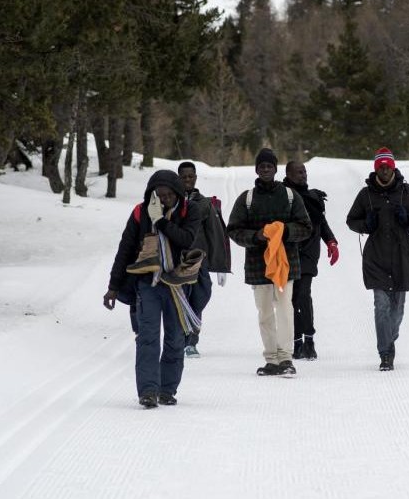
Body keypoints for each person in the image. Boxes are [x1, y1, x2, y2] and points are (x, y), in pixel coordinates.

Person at [103, 169, 206, 408]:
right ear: (151, 194)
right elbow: (125, 249)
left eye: (169, 195)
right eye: (158, 195)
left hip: (178, 285)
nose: (164, 200)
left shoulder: (190, 210)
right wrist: (113, 287)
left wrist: (160, 221)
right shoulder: (140, 212)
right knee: (148, 337)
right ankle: (148, 391)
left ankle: (167, 390)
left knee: (175, 338)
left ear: (177, 193)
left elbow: (186, 239)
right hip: (148, 284)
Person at [345, 147, 409, 372]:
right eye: (380, 167)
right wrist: (367, 225)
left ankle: (389, 337)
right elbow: (351, 220)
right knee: (381, 305)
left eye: (388, 166)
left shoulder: (406, 192)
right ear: (375, 169)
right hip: (376, 256)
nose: (384, 170)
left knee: (398, 308)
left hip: (403, 255)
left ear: (393, 168)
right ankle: (385, 353)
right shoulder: (366, 195)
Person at [227, 147, 311, 377]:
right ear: (257, 169)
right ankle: (271, 358)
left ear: (275, 169)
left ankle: (286, 358)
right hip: (257, 264)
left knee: (285, 310)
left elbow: (306, 227)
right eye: (262, 166)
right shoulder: (246, 198)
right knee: (264, 312)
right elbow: (233, 230)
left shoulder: (291, 196)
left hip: (286, 263)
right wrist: (256, 236)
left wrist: (284, 232)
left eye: (269, 166)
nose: (266, 170)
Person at [283, 159, 339, 360]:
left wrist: (331, 242)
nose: (303, 175)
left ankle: (309, 341)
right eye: (298, 172)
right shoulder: (283, 195)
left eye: (304, 171)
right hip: (288, 253)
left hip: (309, 254)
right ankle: (296, 341)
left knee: (303, 296)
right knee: (291, 298)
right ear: (288, 174)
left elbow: (321, 222)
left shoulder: (313, 196)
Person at [177, 160, 231, 357]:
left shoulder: (204, 204)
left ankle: (191, 340)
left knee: (199, 299)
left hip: (200, 262)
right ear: (178, 178)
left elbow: (215, 235)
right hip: (177, 263)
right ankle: (181, 341)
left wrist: (221, 267)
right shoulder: (170, 200)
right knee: (179, 301)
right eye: (183, 177)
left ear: (195, 178)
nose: (187, 180)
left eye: (190, 177)